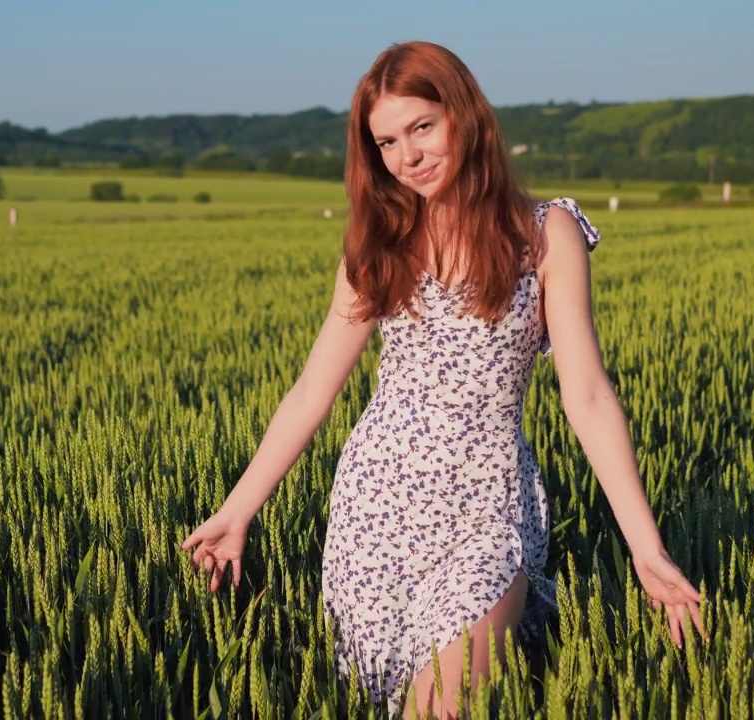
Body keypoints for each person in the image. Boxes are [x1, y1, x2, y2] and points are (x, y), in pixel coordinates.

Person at [181, 40, 707, 718]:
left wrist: (648, 550)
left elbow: (588, 394)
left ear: (464, 113)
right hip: (378, 513)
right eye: (387, 142)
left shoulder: (545, 234)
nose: (408, 156)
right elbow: (314, 390)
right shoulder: (377, 244)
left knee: (443, 705)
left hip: (489, 511)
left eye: (422, 127)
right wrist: (236, 511)